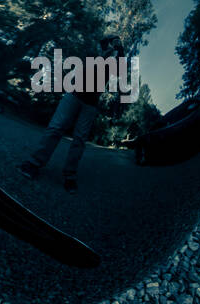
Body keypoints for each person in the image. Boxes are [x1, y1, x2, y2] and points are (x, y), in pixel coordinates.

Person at [20, 35, 124, 192]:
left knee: (80, 139)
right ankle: (34, 163)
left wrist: (120, 46)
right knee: (56, 127)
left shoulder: (114, 65)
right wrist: (113, 38)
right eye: (110, 48)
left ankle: (70, 176)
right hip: (74, 94)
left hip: (91, 104)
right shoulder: (96, 55)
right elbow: (102, 43)